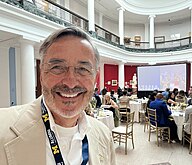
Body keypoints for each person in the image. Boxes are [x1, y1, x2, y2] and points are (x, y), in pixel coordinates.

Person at [0, 27, 116, 165]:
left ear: (95, 79)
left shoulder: (104, 135)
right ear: (42, 74)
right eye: (57, 67)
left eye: (83, 69)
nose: (71, 83)